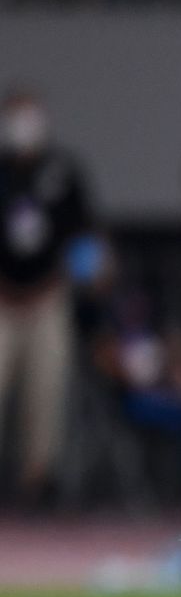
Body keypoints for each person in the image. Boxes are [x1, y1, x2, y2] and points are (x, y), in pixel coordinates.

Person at [0, 86, 95, 506]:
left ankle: (39, 482)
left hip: (48, 295)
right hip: (2, 298)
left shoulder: (64, 169)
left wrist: (78, 280)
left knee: (47, 389)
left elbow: (84, 236)